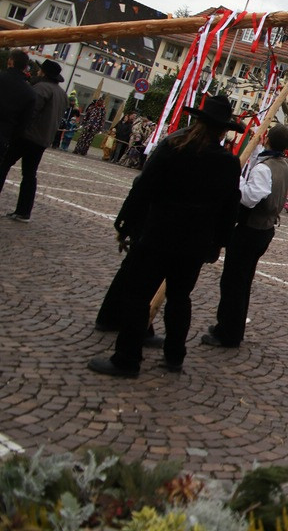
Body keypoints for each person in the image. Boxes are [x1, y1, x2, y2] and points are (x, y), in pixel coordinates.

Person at [88, 95, 242, 377]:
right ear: (222, 130)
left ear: (198, 121)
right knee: (180, 297)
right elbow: (229, 209)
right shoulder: (228, 163)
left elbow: (144, 187)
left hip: (159, 234)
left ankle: (127, 358)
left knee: (138, 296)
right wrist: (218, 243)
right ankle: (174, 357)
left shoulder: (173, 148)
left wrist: (126, 222)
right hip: (194, 242)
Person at [202, 124, 288, 348]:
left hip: (251, 229)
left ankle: (227, 333)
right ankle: (232, 328)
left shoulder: (267, 168)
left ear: (268, 140)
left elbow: (251, 198)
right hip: (263, 230)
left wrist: (237, 180)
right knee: (241, 281)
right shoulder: (281, 165)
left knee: (234, 282)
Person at [0, 59, 67, 222]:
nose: (37, 72)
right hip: (42, 140)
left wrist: (17, 130)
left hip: (27, 136)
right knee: (30, 175)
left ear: (44, 73)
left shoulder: (41, 88)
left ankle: (22, 211)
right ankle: (24, 211)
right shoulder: (61, 94)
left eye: (40, 70)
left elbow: (31, 112)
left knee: (3, 164)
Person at [0, 50, 35, 163]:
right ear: (25, 67)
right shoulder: (29, 92)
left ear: (11, 61)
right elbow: (24, 122)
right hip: (4, 136)